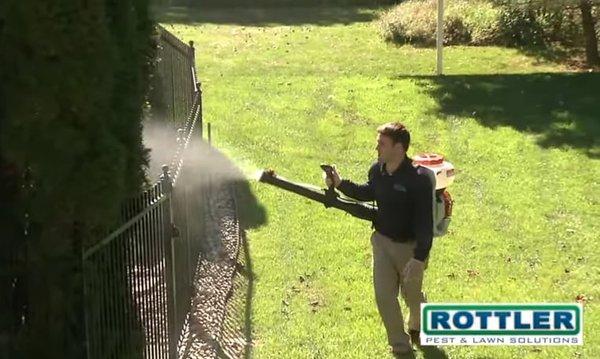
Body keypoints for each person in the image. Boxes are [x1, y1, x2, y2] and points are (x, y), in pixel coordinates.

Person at [325, 122, 433, 356]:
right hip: (382, 243)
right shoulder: (378, 170)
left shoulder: (419, 179)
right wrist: (340, 183)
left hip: (410, 248)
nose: (377, 147)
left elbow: (426, 223)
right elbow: (368, 192)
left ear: (399, 147)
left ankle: (420, 322)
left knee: (412, 295)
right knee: (384, 297)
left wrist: (419, 258)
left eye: (382, 144)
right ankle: (401, 347)